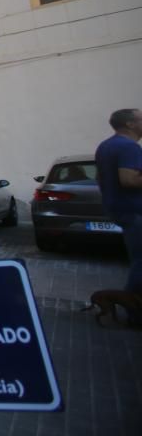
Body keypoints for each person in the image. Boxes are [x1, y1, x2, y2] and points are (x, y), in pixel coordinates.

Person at [95, 108, 142, 324]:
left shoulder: (106, 146)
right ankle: (135, 312)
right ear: (131, 124)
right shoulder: (129, 147)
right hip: (135, 210)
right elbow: (130, 179)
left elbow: (100, 178)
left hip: (118, 208)